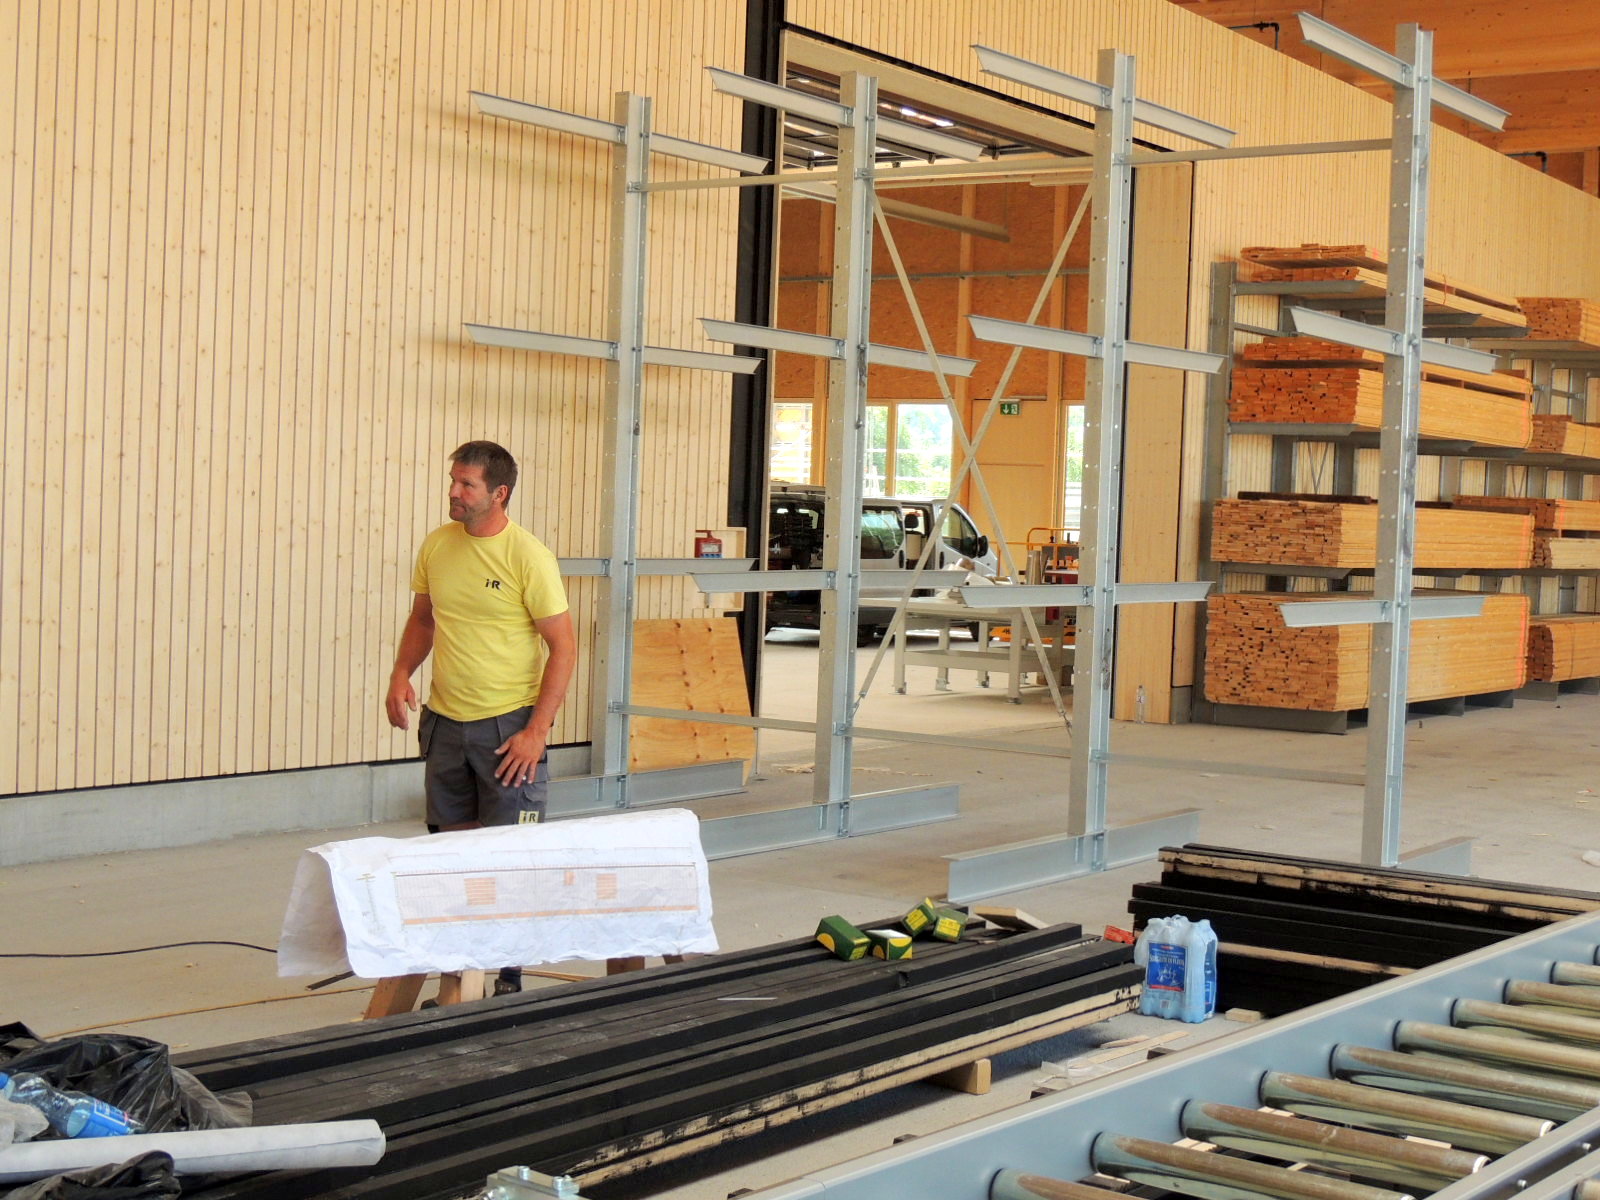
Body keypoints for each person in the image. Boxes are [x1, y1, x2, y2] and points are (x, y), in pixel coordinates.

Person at [386, 440, 577, 995]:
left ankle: (508, 978)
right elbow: (423, 619)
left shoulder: (528, 556)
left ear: (499, 493)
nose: (454, 492)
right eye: (453, 480)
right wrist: (401, 674)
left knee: (510, 858)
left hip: (508, 729)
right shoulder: (438, 545)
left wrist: (536, 732)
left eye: (466, 484)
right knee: (452, 851)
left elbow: (564, 646)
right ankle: (458, 975)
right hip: (445, 724)